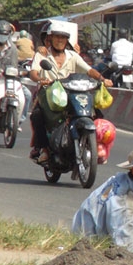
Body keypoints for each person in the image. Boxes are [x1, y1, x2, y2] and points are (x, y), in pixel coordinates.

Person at [28, 21, 113, 163]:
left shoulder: (73, 56)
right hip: (50, 95)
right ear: (51, 38)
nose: (60, 40)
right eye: (57, 37)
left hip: (72, 93)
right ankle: (43, 149)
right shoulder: (42, 55)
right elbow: (33, 73)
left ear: (67, 40)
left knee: (95, 112)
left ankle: (97, 145)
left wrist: (102, 79)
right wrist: (41, 79)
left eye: (63, 37)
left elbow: (88, 70)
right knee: (37, 116)